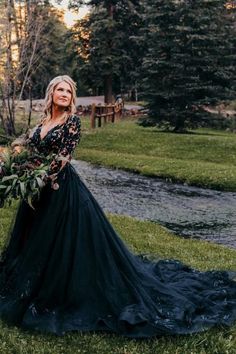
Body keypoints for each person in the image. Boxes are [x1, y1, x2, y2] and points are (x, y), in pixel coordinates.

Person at [0, 75, 235, 337]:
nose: (64, 94)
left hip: (60, 191)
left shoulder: (72, 123)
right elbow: (27, 145)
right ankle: (30, 285)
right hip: (37, 194)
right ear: (52, 93)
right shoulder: (42, 122)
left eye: (69, 91)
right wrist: (16, 160)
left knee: (64, 245)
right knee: (35, 240)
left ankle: (64, 291)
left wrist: (40, 177)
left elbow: (62, 157)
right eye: (60, 89)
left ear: (72, 97)